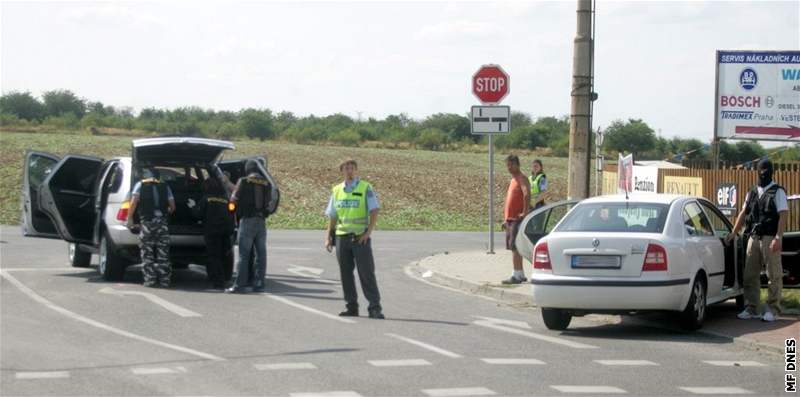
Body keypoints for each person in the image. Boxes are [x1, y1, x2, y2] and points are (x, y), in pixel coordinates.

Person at [726, 159, 788, 322]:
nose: (763, 173)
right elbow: (743, 212)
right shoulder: (752, 191)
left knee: (773, 274)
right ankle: (751, 307)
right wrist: (733, 233)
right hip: (753, 237)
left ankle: (772, 309)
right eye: (761, 170)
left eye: (766, 170)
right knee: (750, 274)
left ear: (771, 171)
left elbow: (783, 215)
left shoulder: (778, 191)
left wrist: (778, 238)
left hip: (770, 237)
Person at [324, 159, 384, 319]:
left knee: (366, 273)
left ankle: (374, 307)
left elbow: (374, 210)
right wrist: (328, 237)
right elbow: (333, 215)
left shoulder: (365, 188)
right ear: (342, 171)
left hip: (360, 238)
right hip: (342, 237)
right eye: (346, 168)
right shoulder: (337, 190)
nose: (349, 171)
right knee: (346, 274)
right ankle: (351, 307)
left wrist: (367, 233)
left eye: (352, 168)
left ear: (356, 170)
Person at [126, 168, 176, 288]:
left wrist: (130, 218)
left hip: (147, 223)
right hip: (162, 223)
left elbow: (133, 203)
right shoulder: (165, 186)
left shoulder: (140, 185)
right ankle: (165, 281)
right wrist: (164, 213)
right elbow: (173, 207)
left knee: (147, 252)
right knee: (163, 253)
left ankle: (150, 280)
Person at [227, 160, 270, 293]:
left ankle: (239, 285)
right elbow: (269, 202)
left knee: (244, 254)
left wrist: (231, 209)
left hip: (247, 220)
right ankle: (259, 283)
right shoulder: (266, 183)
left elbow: (233, 200)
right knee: (261, 253)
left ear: (247, 170)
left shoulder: (243, 181)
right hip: (261, 221)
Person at [189, 177, 235, 290]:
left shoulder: (206, 199)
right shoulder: (226, 199)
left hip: (212, 232)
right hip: (225, 231)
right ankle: (224, 279)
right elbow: (232, 212)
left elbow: (198, 214)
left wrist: (192, 206)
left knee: (214, 257)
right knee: (223, 256)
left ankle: (218, 283)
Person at [501, 155, 531, 285]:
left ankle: (516, 275)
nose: (509, 167)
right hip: (510, 219)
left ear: (517, 165)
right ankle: (520, 274)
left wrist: (525, 212)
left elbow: (526, 194)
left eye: (511, 165)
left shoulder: (521, 178)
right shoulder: (513, 180)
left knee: (515, 247)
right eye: (507, 165)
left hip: (517, 219)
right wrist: (505, 219)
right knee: (513, 247)